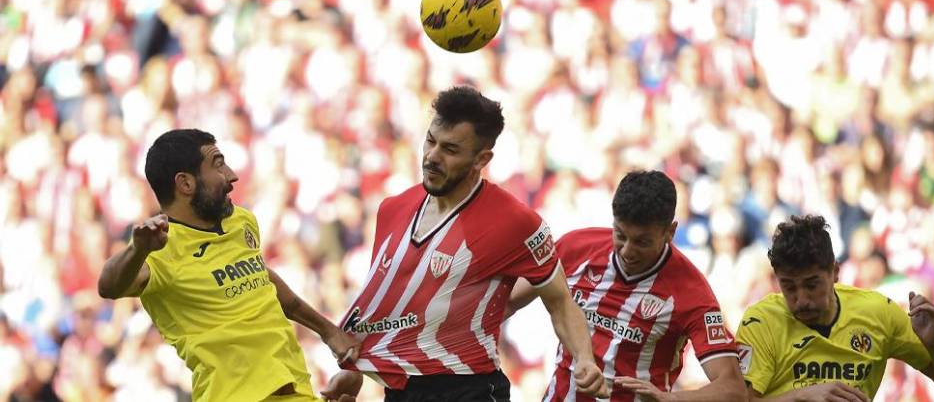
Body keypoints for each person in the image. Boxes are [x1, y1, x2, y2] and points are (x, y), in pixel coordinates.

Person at [321, 86, 608, 402]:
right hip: (401, 392)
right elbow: (384, 303)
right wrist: (354, 369)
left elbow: (560, 302)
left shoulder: (515, 222)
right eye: (430, 141)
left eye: (450, 149)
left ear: (481, 159)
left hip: (470, 389)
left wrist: (584, 358)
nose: (432, 156)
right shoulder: (393, 209)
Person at [98, 129, 358, 402]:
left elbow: (263, 280)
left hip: (298, 390)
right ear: (185, 184)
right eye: (218, 164)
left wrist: (329, 332)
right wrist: (137, 249)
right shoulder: (159, 249)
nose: (232, 175)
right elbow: (108, 286)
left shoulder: (241, 221)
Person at [506, 170, 746, 401]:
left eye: (642, 241)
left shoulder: (691, 292)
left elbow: (732, 389)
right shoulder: (575, 248)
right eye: (620, 235)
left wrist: (671, 399)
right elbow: (508, 303)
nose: (627, 251)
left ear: (670, 232)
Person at [737, 215, 934, 401]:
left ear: (835, 272)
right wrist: (802, 396)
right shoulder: (761, 322)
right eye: (789, 286)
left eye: (811, 284)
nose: (801, 299)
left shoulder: (878, 313)